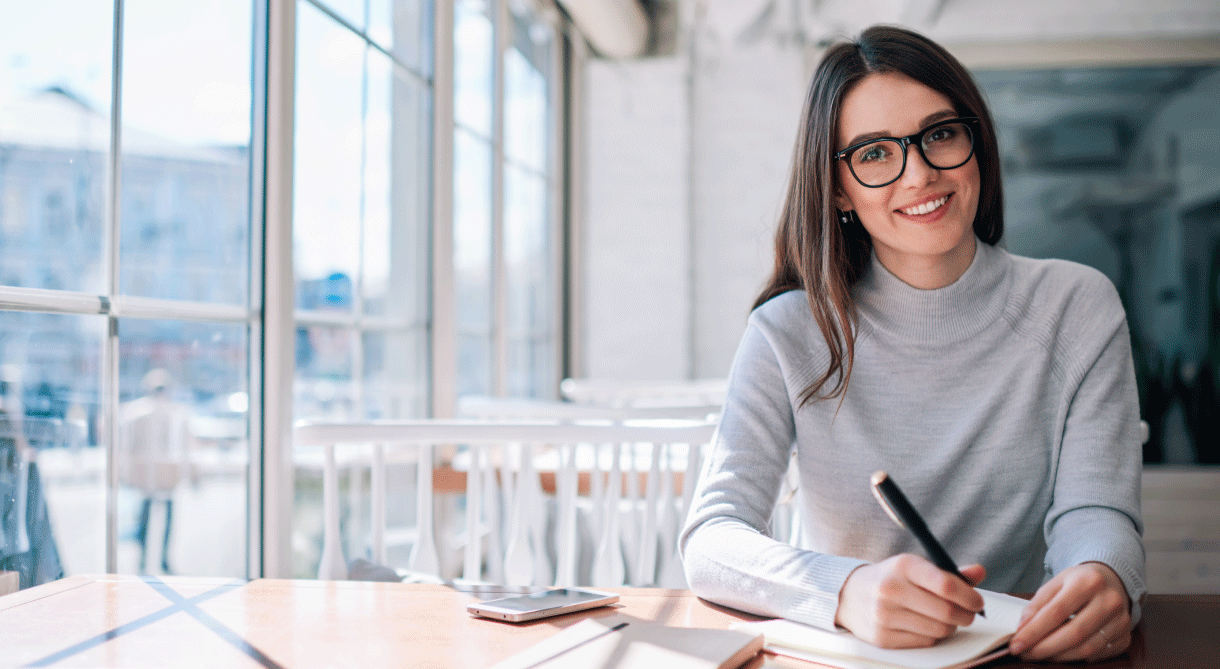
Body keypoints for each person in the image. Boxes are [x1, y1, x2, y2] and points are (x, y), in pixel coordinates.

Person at [679, 25, 1144, 664]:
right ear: (838, 187)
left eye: (941, 134)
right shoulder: (786, 330)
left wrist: (1107, 574)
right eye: (874, 153)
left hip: (1023, 651)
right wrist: (842, 589)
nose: (919, 174)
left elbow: (1096, 509)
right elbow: (711, 539)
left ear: (975, 142)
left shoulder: (1076, 305)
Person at [118, 369, 193, 574]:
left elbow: (183, 446)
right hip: (151, 475)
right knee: (148, 517)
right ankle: (148, 559)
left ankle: (159, 558)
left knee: (157, 516)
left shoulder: (173, 413)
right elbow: (128, 445)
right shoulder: (139, 413)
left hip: (164, 474)